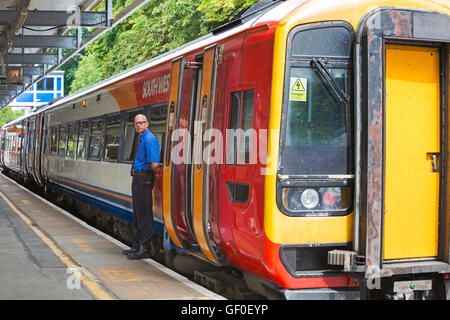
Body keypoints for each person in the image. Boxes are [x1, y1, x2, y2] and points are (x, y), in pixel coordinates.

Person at [123, 114, 160, 260]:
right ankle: (136, 246)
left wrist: (155, 174)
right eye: (137, 123)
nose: (139, 125)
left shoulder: (150, 139)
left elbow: (154, 164)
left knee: (144, 214)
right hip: (138, 178)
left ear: (147, 124)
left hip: (144, 178)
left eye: (142, 123)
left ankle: (145, 248)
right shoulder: (141, 138)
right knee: (138, 214)